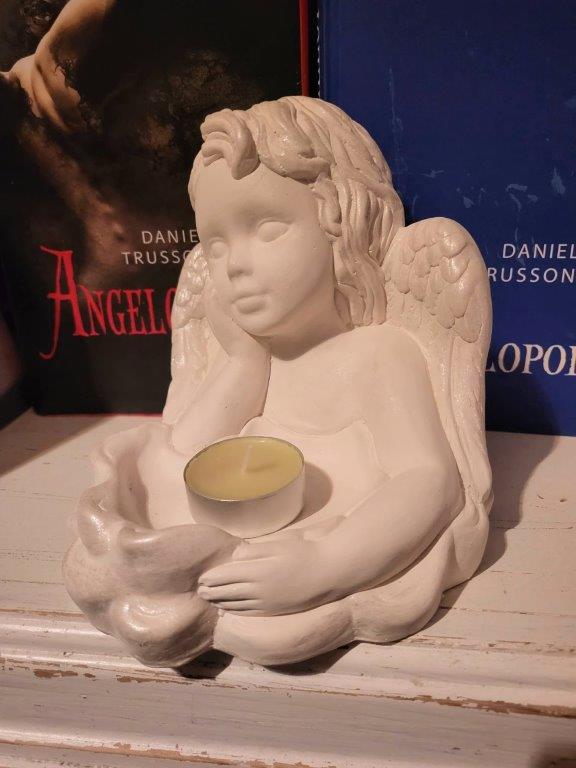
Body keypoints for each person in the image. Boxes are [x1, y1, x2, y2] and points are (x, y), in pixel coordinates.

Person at [137, 97, 465, 617]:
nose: (234, 265)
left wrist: (324, 566)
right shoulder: (251, 359)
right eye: (215, 245)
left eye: (268, 229)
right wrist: (243, 364)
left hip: (328, 559)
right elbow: (177, 464)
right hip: (230, 560)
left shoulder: (376, 355)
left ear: (343, 227)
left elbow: (430, 481)